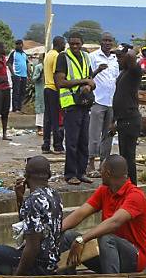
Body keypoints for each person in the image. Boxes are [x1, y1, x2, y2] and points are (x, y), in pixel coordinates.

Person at [0, 156, 63, 275]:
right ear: (49, 175)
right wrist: (20, 198)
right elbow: (27, 226)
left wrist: (17, 277)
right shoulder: (55, 195)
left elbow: (32, 248)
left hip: (38, 264)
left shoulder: (32, 201)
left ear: (26, 177)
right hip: (50, 262)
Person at [60, 155, 146, 273]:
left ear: (107, 173)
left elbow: (114, 223)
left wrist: (82, 239)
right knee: (67, 236)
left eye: (101, 170)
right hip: (108, 256)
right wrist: (54, 231)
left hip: (133, 259)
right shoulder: (104, 190)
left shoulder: (136, 195)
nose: (100, 173)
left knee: (106, 237)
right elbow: (80, 213)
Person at [55, 32, 97, 185]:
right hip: (71, 104)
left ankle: (81, 172)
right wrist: (83, 81)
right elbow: (60, 82)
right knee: (72, 142)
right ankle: (70, 174)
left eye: (77, 44)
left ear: (82, 43)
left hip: (84, 103)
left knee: (83, 141)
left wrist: (88, 84)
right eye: (72, 43)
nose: (74, 46)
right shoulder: (63, 57)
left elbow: (91, 78)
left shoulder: (86, 57)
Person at [88, 33, 119, 177]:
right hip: (98, 100)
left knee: (108, 134)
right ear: (100, 42)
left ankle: (103, 164)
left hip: (111, 101)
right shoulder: (93, 57)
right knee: (94, 134)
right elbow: (87, 78)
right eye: (105, 40)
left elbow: (116, 79)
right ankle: (90, 164)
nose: (107, 43)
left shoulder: (114, 59)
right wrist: (98, 70)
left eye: (110, 41)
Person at [112, 45, 143, 184]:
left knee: (129, 157)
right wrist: (113, 121)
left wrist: (131, 48)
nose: (118, 59)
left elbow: (131, 55)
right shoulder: (122, 73)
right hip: (122, 119)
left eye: (120, 57)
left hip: (131, 119)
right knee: (123, 156)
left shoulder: (134, 72)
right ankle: (126, 186)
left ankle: (132, 187)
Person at [42, 36, 66, 153]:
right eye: (64, 44)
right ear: (59, 44)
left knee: (47, 119)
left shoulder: (48, 54)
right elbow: (56, 76)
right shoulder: (57, 56)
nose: (65, 46)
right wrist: (61, 93)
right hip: (54, 89)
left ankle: (46, 145)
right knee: (56, 119)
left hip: (47, 88)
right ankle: (58, 145)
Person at [7, 40, 29, 113]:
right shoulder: (13, 53)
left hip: (24, 76)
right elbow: (9, 63)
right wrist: (13, 73)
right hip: (16, 75)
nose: (17, 46)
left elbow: (27, 64)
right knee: (16, 92)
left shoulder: (24, 54)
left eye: (19, 44)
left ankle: (20, 108)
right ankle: (15, 108)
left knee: (22, 92)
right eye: (16, 44)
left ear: (22, 45)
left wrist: (28, 75)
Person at [32, 53, 45, 135]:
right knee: (40, 109)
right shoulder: (38, 67)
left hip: (47, 90)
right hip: (40, 90)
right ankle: (39, 128)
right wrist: (40, 74)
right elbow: (34, 78)